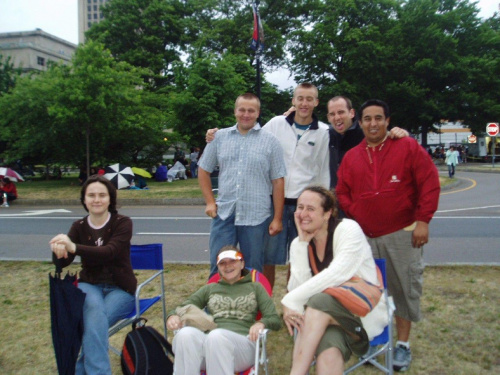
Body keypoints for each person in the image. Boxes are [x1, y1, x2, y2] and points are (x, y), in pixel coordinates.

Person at [336, 99, 440, 372]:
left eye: (378, 118)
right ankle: (373, 341)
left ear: (387, 121)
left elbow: (429, 182)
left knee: (404, 289)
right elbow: (343, 191)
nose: (373, 123)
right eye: (367, 119)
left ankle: (402, 346)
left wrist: (423, 221)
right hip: (365, 238)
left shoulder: (406, 147)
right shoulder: (352, 156)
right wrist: (357, 210)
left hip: (401, 234)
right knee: (368, 292)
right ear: (360, 122)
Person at [281, 186, 388, 375]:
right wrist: (301, 245)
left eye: (311, 209)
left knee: (318, 301)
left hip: (362, 317)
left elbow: (337, 274)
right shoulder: (299, 244)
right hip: (322, 320)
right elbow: (300, 292)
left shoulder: (348, 230)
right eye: (300, 207)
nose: (302, 214)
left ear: (327, 213)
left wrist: (289, 300)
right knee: (329, 352)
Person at [49, 174, 137, 374]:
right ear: (84, 200)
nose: (96, 200)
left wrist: (74, 247)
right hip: (90, 286)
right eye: (91, 195)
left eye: (102, 195)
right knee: (94, 318)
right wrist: (58, 250)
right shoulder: (79, 227)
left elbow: (110, 252)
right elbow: (63, 262)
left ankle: (78, 370)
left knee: (92, 325)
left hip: (121, 289)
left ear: (110, 199)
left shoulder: (122, 223)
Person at [198, 93, 287, 277]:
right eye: (242, 110)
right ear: (235, 111)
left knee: (253, 269)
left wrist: (277, 218)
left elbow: (278, 181)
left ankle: (252, 306)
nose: (246, 114)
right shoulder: (219, 138)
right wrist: (209, 202)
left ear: (257, 113)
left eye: (251, 110)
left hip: (256, 216)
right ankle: (216, 305)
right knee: (219, 266)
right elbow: (203, 170)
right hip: (224, 214)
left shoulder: (271, 142)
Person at [167, 247, 282, 375]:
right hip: (210, 345)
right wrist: (173, 316)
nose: (228, 266)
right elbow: (182, 307)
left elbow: (274, 319)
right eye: (223, 263)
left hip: (243, 346)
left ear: (242, 264)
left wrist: (262, 323)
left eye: (232, 261)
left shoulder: (255, 287)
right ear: (218, 268)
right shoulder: (211, 288)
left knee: (216, 336)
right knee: (185, 334)